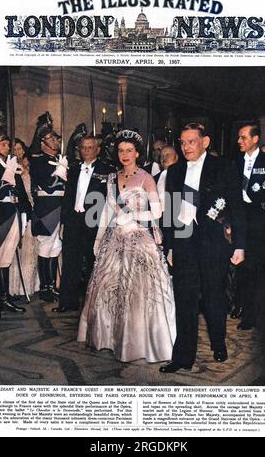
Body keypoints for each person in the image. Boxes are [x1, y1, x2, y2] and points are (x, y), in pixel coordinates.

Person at [78, 129, 176, 363]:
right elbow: (105, 212)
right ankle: (110, 338)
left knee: (137, 294)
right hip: (113, 240)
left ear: (138, 154)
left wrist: (132, 216)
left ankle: (138, 342)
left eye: (129, 151)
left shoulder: (146, 178)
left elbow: (158, 211)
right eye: (121, 150)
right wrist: (98, 238)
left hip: (139, 238)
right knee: (109, 289)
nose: (124, 154)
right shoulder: (112, 178)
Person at [159, 123, 246, 373]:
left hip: (213, 243)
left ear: (205, 142)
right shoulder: (174, 172)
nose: (186, 147)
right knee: (184, 299)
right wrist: (170, 247)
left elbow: (237, 207)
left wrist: (239, 245)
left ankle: (218, 344)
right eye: (183, 142)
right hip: (184, 243)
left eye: (192, 142)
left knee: (213, 298)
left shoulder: (223, 167)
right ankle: (183, 357)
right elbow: (171, 212)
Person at [52, 134, 113, 313]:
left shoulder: (107, 170)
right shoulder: (73, 169)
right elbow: (67, 197)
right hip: (74, 221)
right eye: (83, 148)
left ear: (98, 150)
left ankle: (92, 304)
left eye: (90, 147)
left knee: (93, 262)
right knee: (71, 261)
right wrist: (65, 221)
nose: (86, 151)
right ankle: (67, 302)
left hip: (94, 222)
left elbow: (110, 199)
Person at [235, 123, 265, 330]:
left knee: (257, 269)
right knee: (242, 269)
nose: (239, 141)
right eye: (239, 138)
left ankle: (259, 314)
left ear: (255, 139)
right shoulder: (235, 162)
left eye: (243, 138)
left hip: (260, 220)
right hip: (240, 218)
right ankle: (245, 310)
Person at [0, 118, 31, 318]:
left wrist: (26, 211)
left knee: (6, 258)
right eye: (2, 144)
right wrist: (9, 171)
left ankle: (4, 298)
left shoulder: (11, 164)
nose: (7, 147)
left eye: (7, 144)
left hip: (13, 213)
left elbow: (20, 191)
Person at [29, 112, 67, 303]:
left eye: (55, 137)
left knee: (55, 246)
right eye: (51, 138)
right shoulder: (37, 161)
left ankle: (51, 285)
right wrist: (60, 171)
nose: (55, 140)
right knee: (46, 245)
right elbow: (47, 183)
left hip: (60, 205)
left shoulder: (61, 158)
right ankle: (45, 287)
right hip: (46, 207)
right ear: (42, 142)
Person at [9, 138, 39, 298]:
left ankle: (29, 285)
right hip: (20, 209)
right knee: (19, 250)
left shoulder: (31, 166)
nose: (17, 152)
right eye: (14, 149)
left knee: (30, 249)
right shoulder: (12, 168)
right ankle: (16, 287)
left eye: (20, 149)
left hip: (33, 208)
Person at [155, 145, 179, 212]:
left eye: (167, 155)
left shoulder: (183, 175)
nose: (164, 158)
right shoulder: (154, 179)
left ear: (176, 157)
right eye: (162, 156)